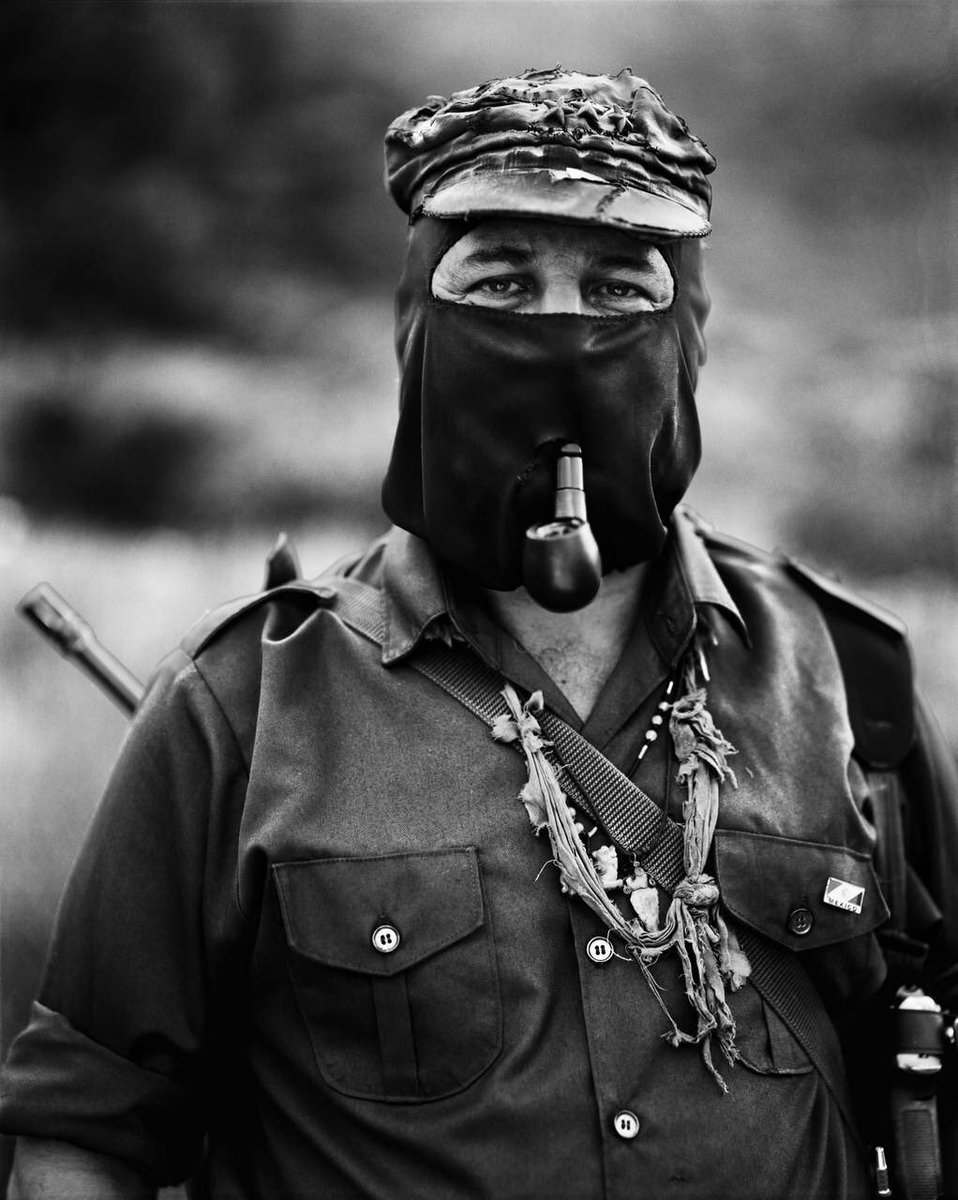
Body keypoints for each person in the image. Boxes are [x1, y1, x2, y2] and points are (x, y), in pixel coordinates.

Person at [1, 67, 956, 1200]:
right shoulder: (242, 706)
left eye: (618, 289)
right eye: (500, 284)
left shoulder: (848, 680)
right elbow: (87, 1131)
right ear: (418, 324)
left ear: (688, 331)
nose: (562, 334)